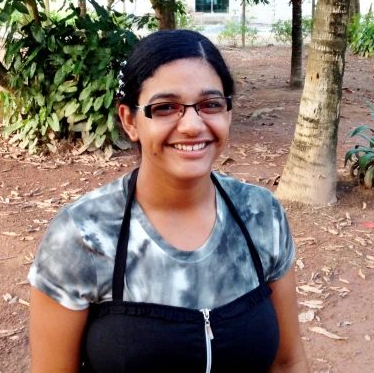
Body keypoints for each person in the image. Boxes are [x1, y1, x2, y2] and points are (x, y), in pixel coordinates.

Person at [29, 30, 308, 373]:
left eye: (210, 105)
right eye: (165, 108)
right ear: (130, 120)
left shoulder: (261, 215)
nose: (192, 125)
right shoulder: (83, 234)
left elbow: (287, 362)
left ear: (228, 113)